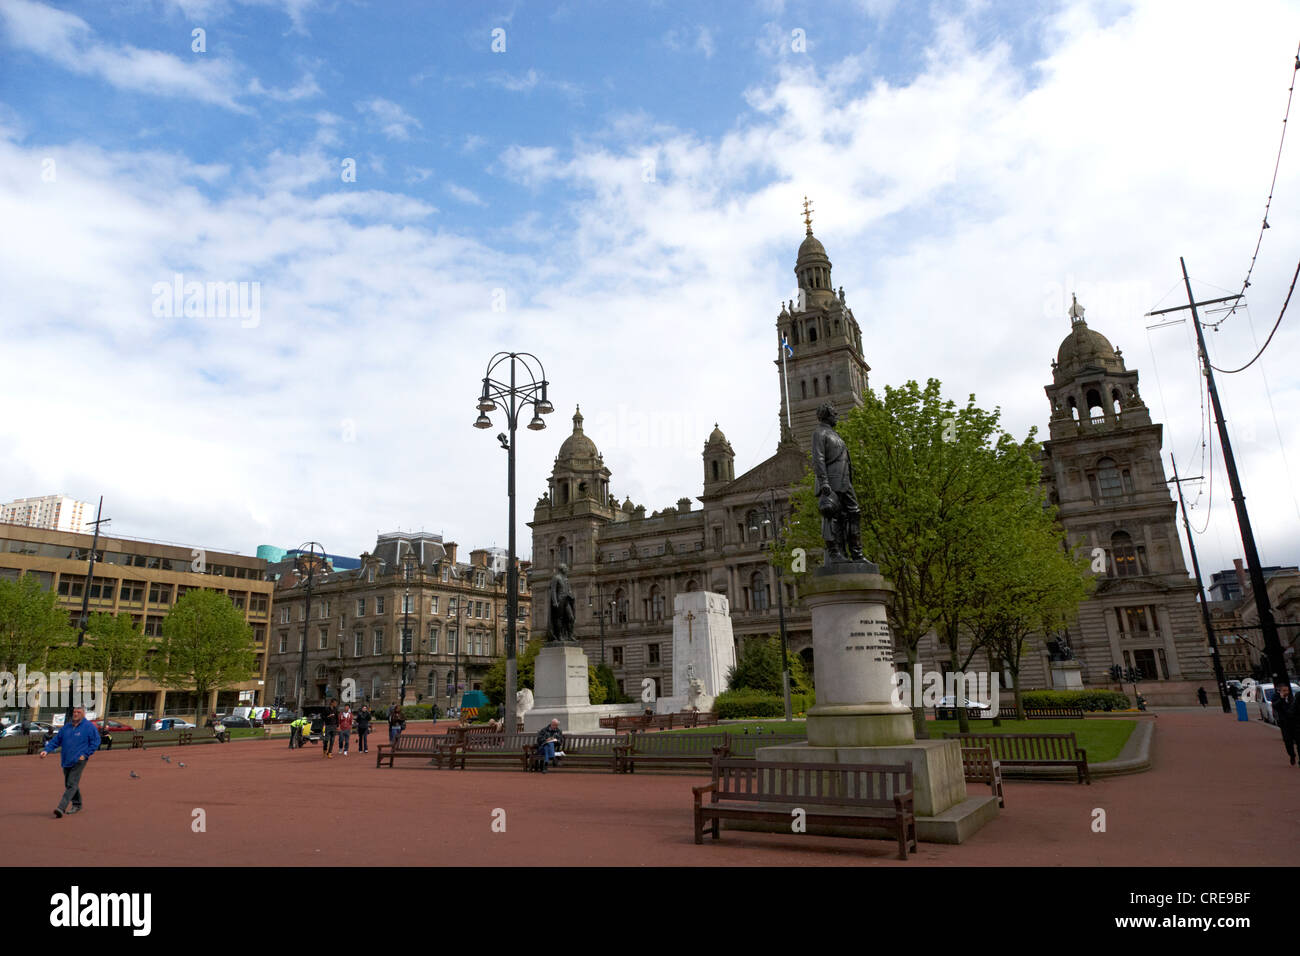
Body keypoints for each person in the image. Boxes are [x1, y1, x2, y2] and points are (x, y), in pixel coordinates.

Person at [40, 705, 100, 818]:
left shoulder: (89, 727)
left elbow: (95, 742)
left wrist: (86, 754)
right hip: (66, 759)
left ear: (83, 714)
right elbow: (56, 741)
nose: (75, 714)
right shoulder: (66, 728)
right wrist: (46, 751)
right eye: (74, 712)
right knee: (70, 784)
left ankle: (61, 807)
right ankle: (77, 804)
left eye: (78, 712)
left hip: (79, 760)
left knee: (71, 784)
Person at [1272, 682, 1298, 766]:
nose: (1286, 692)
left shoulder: (1293, 697)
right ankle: (1292, 755)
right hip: (1285, 724)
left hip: (1295, 723)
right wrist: (1281, 699)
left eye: (1287, 690)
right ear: (1279, 691)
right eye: (1284, 690)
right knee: (1288, 742)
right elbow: (1275, 706)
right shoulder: (1276, 697)